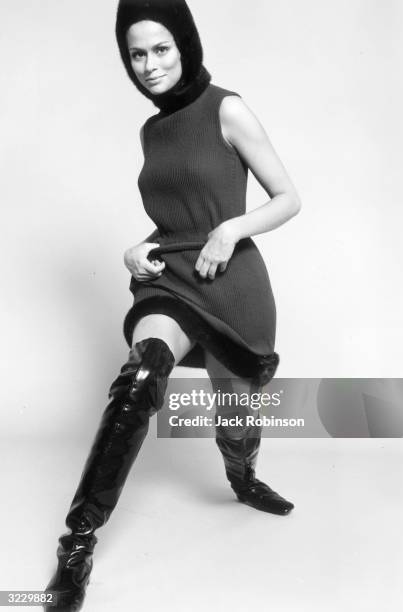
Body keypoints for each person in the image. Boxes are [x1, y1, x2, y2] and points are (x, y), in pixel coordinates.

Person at [43, 0, 301, 610]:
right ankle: (75, 549)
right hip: (172, 279)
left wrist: (230, 230)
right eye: (137, 54)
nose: (150, 65)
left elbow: (289, 198)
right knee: (138, 378)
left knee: (235, 415)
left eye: (161, 49)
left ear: (185, 45)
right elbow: (170, 213)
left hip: (232, 283)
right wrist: (140, 247)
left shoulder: (227, 109)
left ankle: (243, 479)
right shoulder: (150, 130)